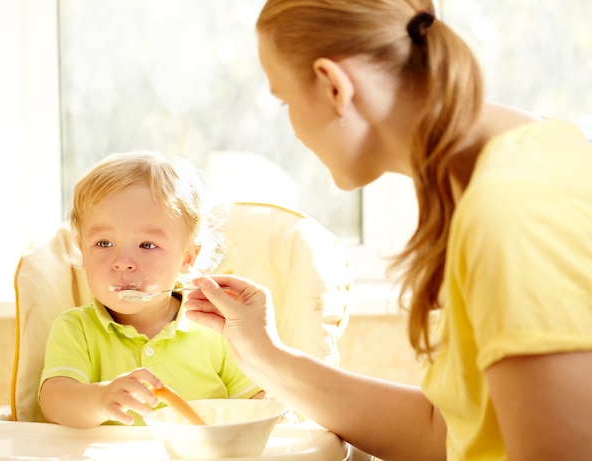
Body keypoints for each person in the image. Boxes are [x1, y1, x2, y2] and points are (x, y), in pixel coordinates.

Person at [184, 1, 592, 460]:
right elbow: (446, 433)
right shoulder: (506, 165)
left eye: (285, 101)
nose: (293, 127)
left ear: (333, 86)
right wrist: (265, 357)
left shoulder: (514, 210)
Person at [39, 151, 264, 428]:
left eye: (147, 245)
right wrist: (100, 398)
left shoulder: (215, 327)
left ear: (187, 258)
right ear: (82, 251)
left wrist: (277, 413)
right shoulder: (76, 329)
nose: (122, 263)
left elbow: (255, 402)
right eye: (103, 243)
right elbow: (54, 402)